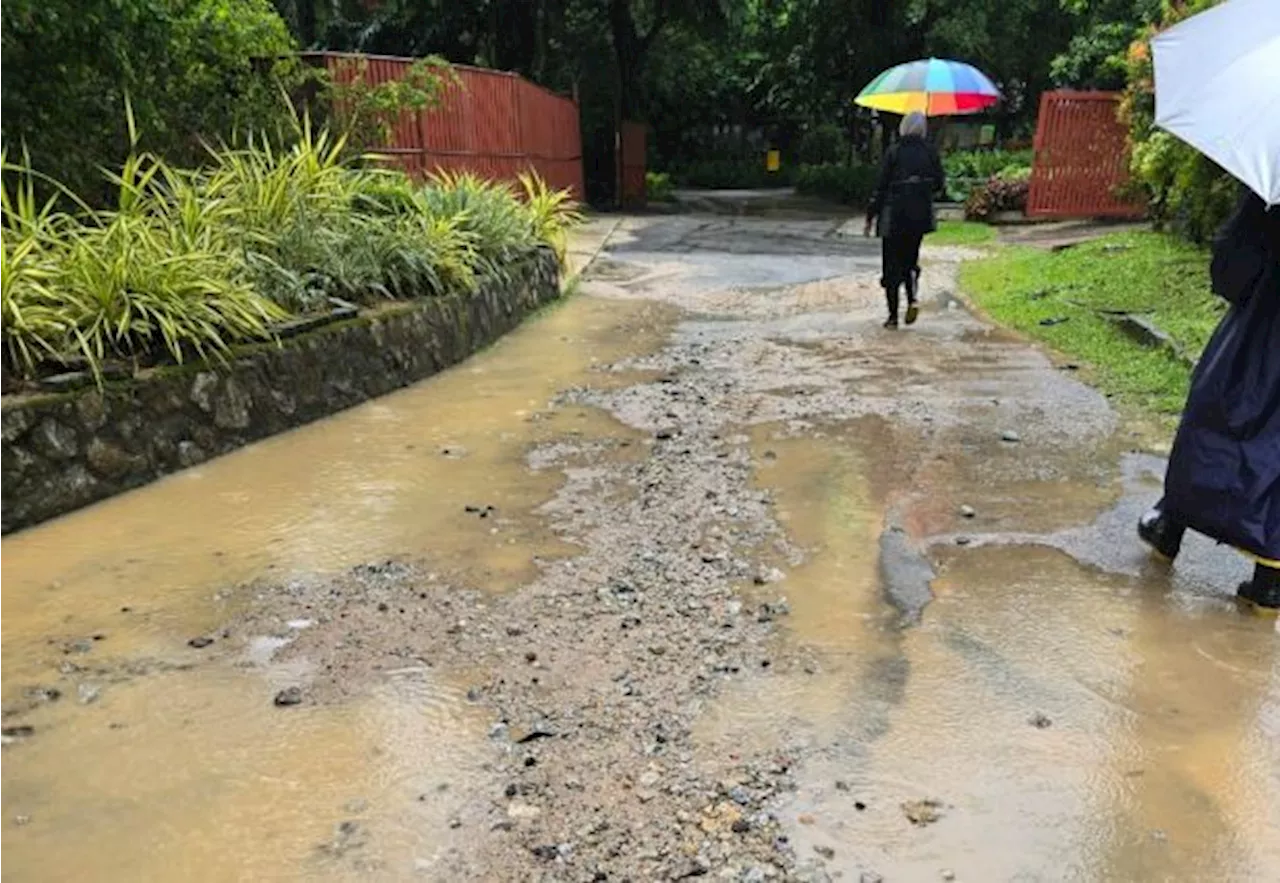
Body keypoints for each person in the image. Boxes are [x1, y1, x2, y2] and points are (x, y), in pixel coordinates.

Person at [1138, 186, 1280, 610]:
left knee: (1214, 416)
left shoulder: (1271, 178)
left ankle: (1170, 525)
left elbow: (1231, 272)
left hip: (1260, 330)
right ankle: (1271, 576)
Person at [864, 111, 946, 329]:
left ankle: (892, 318)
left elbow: (881, 186)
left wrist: (871, 213)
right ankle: (912, 299)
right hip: (919, 217)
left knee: (891, 265)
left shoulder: (894, 151)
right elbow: (939, 184)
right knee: (910, 260)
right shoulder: (930, 152)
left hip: (893, 216)